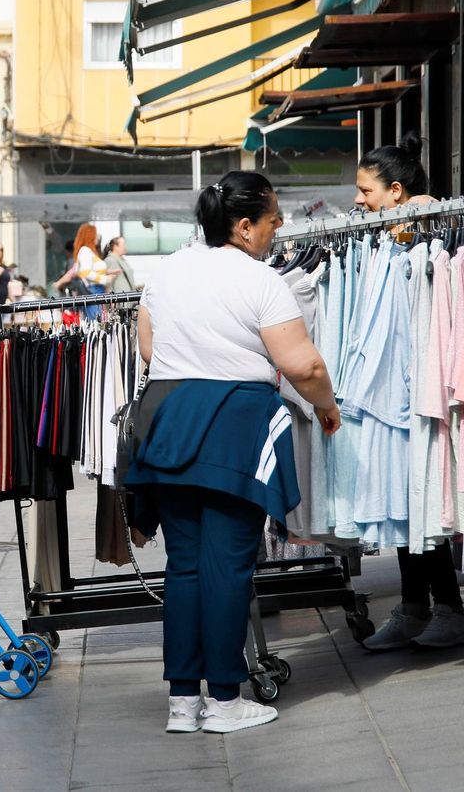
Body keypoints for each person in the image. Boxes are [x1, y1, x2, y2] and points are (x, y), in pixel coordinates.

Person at [129, 171, 340, 734]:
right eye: (273, 219)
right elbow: (304, 365)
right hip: (233, 426)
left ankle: (182, 703)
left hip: (168, 421)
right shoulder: (260, 280)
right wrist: (326, 406)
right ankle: (223, 700)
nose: (279, 228)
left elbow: (149, 347)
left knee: (186, 567)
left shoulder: (167, 270)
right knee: (227, 567)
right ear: (244, 226)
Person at [348, 134, 464, 652]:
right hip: (399, 390)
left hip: (425, 386)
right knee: (405, 501)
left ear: (397, 191)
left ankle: (447, 610)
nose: (358, 201)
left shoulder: (427, 229)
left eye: (366, 191)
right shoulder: (390, 235)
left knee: (421, 498)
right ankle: (415, 608)